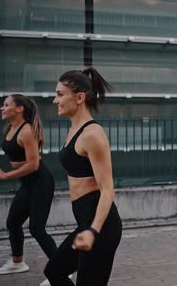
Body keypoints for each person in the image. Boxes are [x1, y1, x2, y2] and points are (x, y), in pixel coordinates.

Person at [43, 67, 122, 286]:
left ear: (79, 98)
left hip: (101, 226)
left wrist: (93, 231)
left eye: (60, 94)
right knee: (54, 271)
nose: (55, 101)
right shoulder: (74, 130)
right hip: (85, 221)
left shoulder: (92, 134)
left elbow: (107, 189)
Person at [0, 94, 57, 276]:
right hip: (29, 184)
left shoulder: (27, 131)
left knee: (36, 229)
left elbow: (33, 164)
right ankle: (17, 263)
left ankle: (62, 269)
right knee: (13, 222)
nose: (2, 108)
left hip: (41, 183)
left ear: (19, 109)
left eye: (6, 105)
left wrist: (6, 176)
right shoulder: (11, 127)